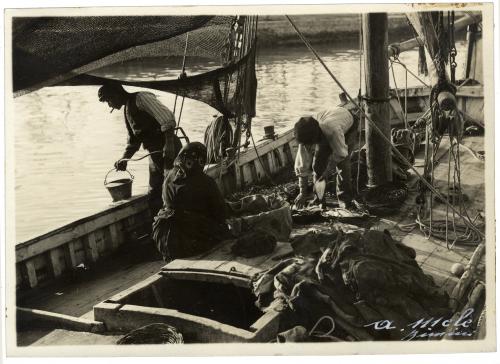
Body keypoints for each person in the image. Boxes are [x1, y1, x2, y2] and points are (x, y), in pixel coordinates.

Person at [98, 83, 181, 215]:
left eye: (109, 100)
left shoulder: (141, 98)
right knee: (155, 194)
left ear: (116, 95)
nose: (110, 105)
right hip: (154, 155)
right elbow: (134, 141)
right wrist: (124, 159)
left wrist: (169, 144)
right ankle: (162, 225)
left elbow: (167, 118)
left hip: (168, 149)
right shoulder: (127, 111)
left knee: (174, 188)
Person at [152, 142, 230, 261]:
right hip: (187, 244)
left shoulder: (169, 176)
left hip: (162, 239)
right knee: (223, 228)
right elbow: (221, 214)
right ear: (201, 160)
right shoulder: (206, 181)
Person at [293, 103, 360, 211]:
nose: (308, 147)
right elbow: (302, 166)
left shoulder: (333, 130)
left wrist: (327, 172)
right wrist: (302, 192)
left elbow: (341, 154)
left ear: (315, 139)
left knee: (343, 166)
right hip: (327, 121)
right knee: (317, 165)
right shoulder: (305, 133)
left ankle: (345, 201)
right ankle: (319, 200)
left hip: (348, 125)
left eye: (310, 145)